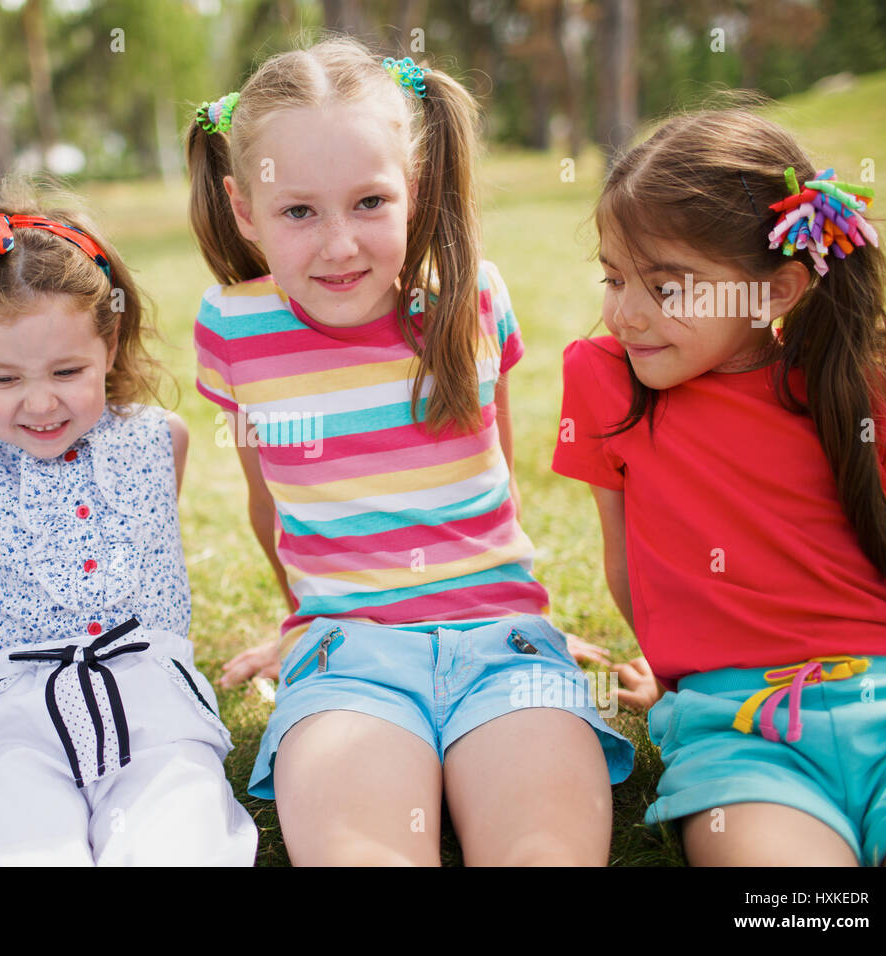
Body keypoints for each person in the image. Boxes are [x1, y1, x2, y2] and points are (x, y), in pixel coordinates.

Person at [187, 38, 633, 866]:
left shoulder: (471, 299)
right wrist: (305, 618)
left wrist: (521, 618)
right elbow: (269, 501)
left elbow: (494, 480)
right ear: (244, 209)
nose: (339, 244)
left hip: (503, 646)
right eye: (298, 211)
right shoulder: (233, 330)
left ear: (414, 191)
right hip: (345, 655)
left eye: (368, 202)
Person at [552, 107, 886, 866]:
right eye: (615, 278)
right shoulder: (607, 383)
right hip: (743, 733)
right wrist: (686, 676)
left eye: (667, 287)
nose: (625, 313)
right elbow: (631, 568)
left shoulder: (872, 386)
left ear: (777, 291)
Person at [0, 195, 257, 866]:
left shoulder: (161, 439)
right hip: (19, 705)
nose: (40, 402)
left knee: (172, 834)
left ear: (111, 343)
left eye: (68, 372)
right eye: (4, 378)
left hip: (152, 699)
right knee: (9, 831)